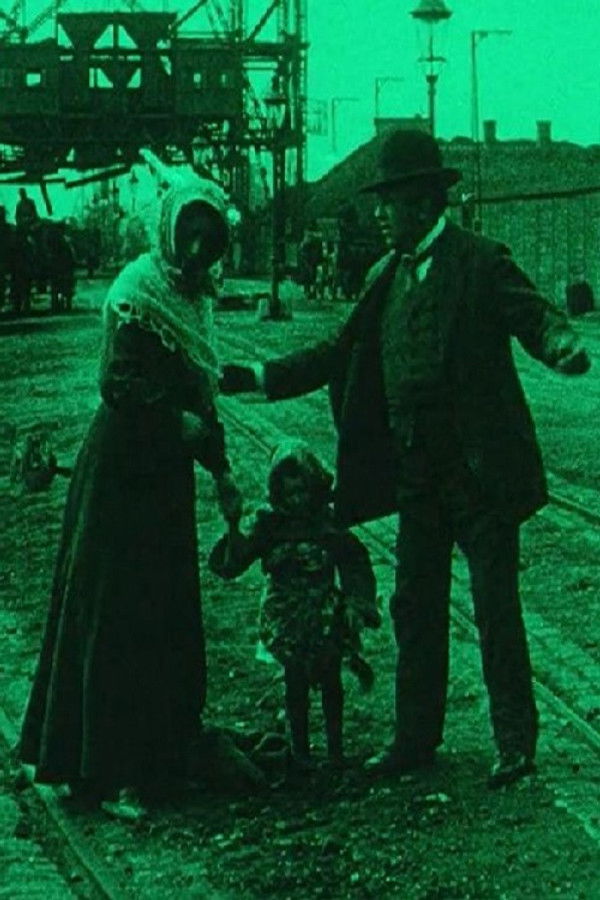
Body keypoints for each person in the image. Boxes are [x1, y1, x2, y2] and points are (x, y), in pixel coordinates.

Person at [219, 129, 591, 789]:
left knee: (495, 607)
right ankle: (416, 740)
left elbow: (533, 314)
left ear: (423, 201)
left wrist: (561, 345)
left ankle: (514, 741)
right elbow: (336, 351)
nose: (380, 214)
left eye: (389, 202)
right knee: (415, 607)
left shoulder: (479, 261)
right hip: (416, 478)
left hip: (478, 476)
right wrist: (259, 375)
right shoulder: (381, 278)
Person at [19, 169, 243, 819]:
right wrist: (175, 423)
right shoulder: (136, 291)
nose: (198, 250)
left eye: (210, 240)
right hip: (119, 475)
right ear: (170, 233)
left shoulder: (195, 301)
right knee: (116, 612)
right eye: (190, 236)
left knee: (161, 614)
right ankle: (105, 771)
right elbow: (116, 382)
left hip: (164, 483)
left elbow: (203, 398)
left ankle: (153, 759)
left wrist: (222, 472)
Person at [208, 440, 380, 770]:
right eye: (289, 494)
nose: (297, 500)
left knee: (331, 679)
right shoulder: (269, 525)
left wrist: (357, 603)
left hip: (324, 615)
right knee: (295, 682)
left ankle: (336, 750)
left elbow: (354, 560)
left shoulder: (326, 524)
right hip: (287, 618)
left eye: (303, 491)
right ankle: (300, 752)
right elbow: (235, 560)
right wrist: (232, 526)